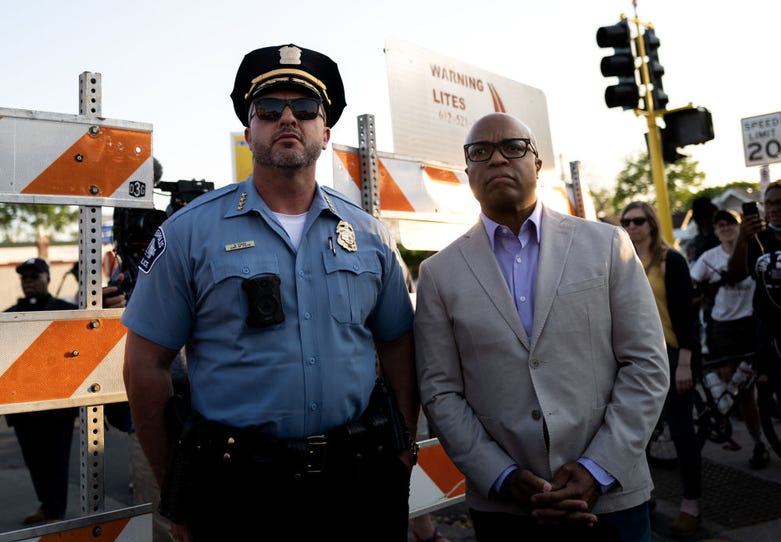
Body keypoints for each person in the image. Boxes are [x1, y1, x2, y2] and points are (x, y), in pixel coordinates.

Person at [121, 44, 419, 542]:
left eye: (304, 109)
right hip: (238, 493)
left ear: (325, 132)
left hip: (360, 484)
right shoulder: (188, 233)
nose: (287, 118)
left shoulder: (371, 236)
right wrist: (180, 492)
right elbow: (144, 367)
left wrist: (404, 449)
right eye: (268, 109)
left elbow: (398, 345)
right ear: (249, 130)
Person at [414, 112, 670, 542]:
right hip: (507, 507)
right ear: (467, 173)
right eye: (481, 152)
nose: (497, 160)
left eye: (513, 147)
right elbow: (440, 391)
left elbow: (646, 364)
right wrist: (502, 475)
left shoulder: (607, 245)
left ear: (537, 164)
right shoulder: (439, 273)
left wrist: (596, 469)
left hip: (612, 497)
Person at [4, 257, 125, 525]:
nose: (29, 281)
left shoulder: (66, 312)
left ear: (47, 278)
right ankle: (47, 505)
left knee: (56, 461)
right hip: (23, 409)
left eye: (35, 276)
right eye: (25, 277)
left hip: (56, 409)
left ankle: (55, 512)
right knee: (34, 462)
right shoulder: (9, 315)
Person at [621, 201, 704, 537]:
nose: (632, 227)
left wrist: (685, 362)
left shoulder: (672, 261)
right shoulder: (622, 263)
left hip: (670, 354)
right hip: (632, 358)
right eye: (626, 222)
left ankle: (691, 504)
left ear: (652, 224)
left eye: (639, 221)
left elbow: (687, 317)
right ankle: (645, 498)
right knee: (634, 436)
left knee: (682, 431)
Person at [727, 177, 781, 516]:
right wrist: (743, 237)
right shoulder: (759, 239)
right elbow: (737, 272)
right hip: (774, 341)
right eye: (768, 204)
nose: (772, 209)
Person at [689, 209, 769, 469]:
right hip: (723, 328)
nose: (725, 228)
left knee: (755, 389)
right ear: (714, 231)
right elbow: (690, 284)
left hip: (753, 324)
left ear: (740, 226)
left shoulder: (756, 249)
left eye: (730, 224)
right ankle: (754, 441)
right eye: (720, 225)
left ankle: (761, 436)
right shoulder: (708, 258)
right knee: (736, 391)